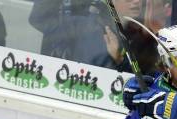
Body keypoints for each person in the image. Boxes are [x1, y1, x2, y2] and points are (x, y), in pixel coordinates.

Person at [29, 0, 158, 74]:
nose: (136, 2)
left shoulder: (145, 37)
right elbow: (39, 19)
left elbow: (145, 83)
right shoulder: (84, 25)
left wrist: (119, 61)